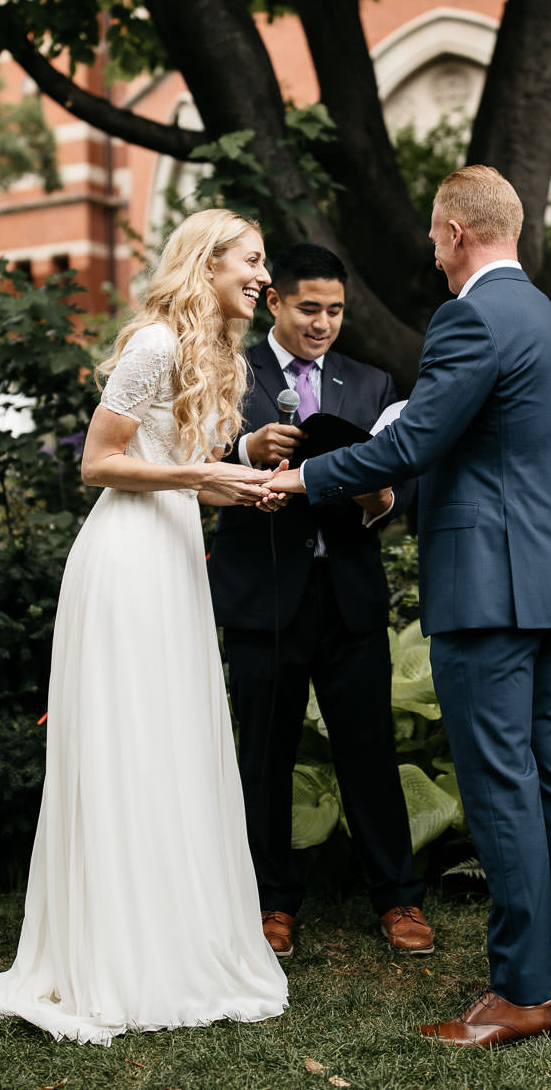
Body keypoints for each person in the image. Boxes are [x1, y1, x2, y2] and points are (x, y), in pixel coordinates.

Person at [268, 166, 551, 1049]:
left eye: (433, 233)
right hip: (545, 576)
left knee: (499, 784)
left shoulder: (469, 317)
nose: (432, 248)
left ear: (455, 231)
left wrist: (299, 479)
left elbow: (414, 442)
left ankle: (521, 992)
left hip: (484, 584)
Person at [0, 208, 290, 1045]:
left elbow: (181, 473)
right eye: (252, 260)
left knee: (172, 744)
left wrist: (240, 486)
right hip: (125, 562)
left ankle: (174, 939)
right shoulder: (153, 343)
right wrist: (202, 475)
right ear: (208, 263)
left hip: (174, 556)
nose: (263, 276)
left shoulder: (210, 353)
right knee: (132, 741)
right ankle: (116, 953)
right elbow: (99, 462)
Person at [207, 243, 433, 960]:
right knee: (264, 753)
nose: (323, 324)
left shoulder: (372, 382)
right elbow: (189, 470)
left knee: (370, 750)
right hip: (263, 595)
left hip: (349, 595)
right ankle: (271, 901)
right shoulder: (228, 374)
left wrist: (374, 493)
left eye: (335, 311)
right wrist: (246, 452)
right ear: (274, 301)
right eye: (309, 308)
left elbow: (399, 486)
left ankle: (398, 899)